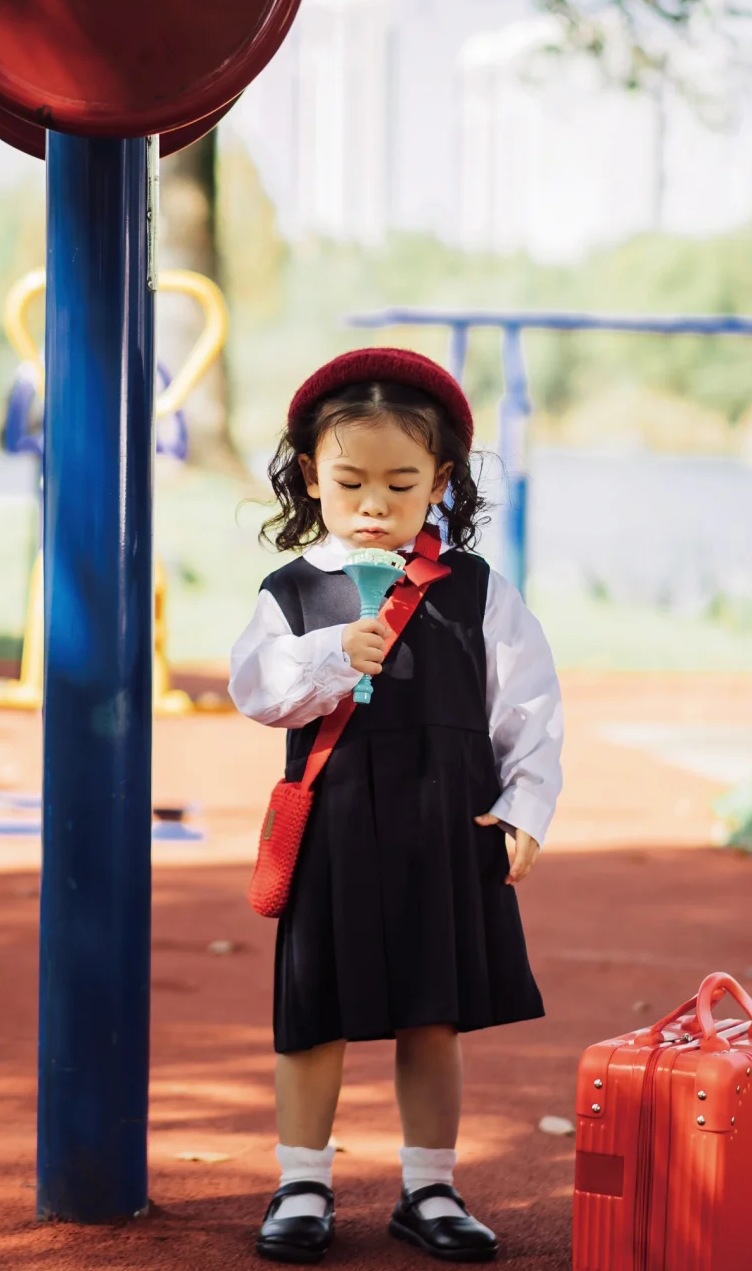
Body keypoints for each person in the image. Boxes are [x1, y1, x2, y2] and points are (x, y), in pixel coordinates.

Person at [229, 348, 564, 1264]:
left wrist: (526, 805)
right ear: (310, 476)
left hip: (443, 823)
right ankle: (302, 1182)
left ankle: (430, 1187)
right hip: (335, 824)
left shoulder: (481, 591)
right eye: (349, 482)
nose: (374, 504)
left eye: (402, 482)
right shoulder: (292, 594)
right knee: (314, 1010)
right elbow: (260, 695)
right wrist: (337, 649)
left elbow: (528, 705)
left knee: (433, 1010)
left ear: (441, 482)